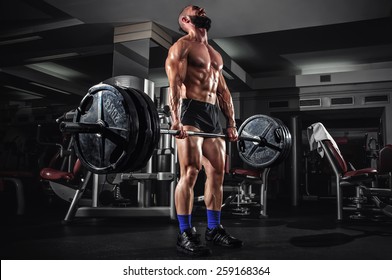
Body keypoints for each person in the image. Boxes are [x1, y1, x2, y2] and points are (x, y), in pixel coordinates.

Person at [165, 5, 243, 257]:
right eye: (195, 8)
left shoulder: (214, 53)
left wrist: (230, 122)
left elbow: (223, 91)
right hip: (190, 111)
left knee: (217, 173)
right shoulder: (182, 47)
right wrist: (175, 119)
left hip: (212, 115)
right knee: (190, 171)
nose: (202, 8)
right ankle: (185, 232)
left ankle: (213, 229)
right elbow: (174, 85)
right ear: (186, 19)